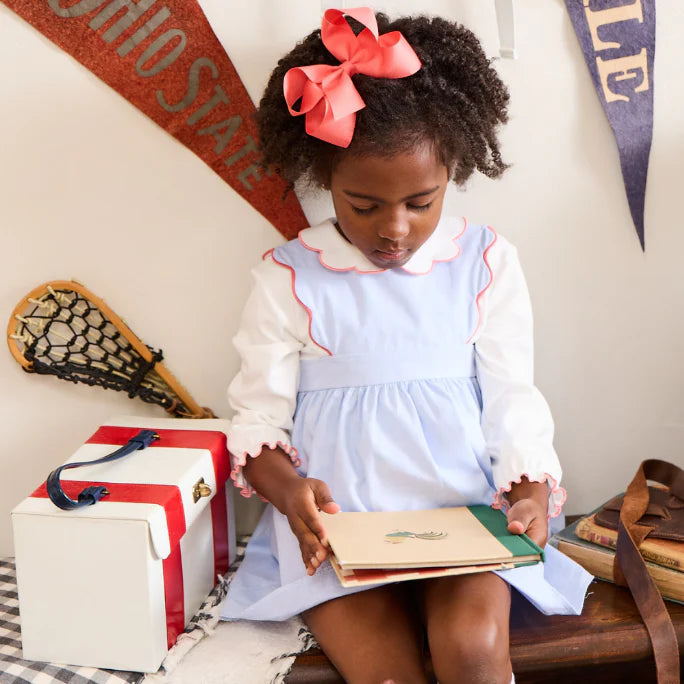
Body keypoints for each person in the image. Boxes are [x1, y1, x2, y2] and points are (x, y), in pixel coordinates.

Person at [221, 8, 592, 683]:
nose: (395, 229)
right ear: (323, 176)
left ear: (451, 169)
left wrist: (531, 491)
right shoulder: (287, 278)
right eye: (363, 205)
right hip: (337, 535)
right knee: (386, 674)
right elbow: (257, 424)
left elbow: (512, 395)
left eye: (421, 202)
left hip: (463, 520)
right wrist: (291, 492)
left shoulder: (485, 263)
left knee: (475, 651)